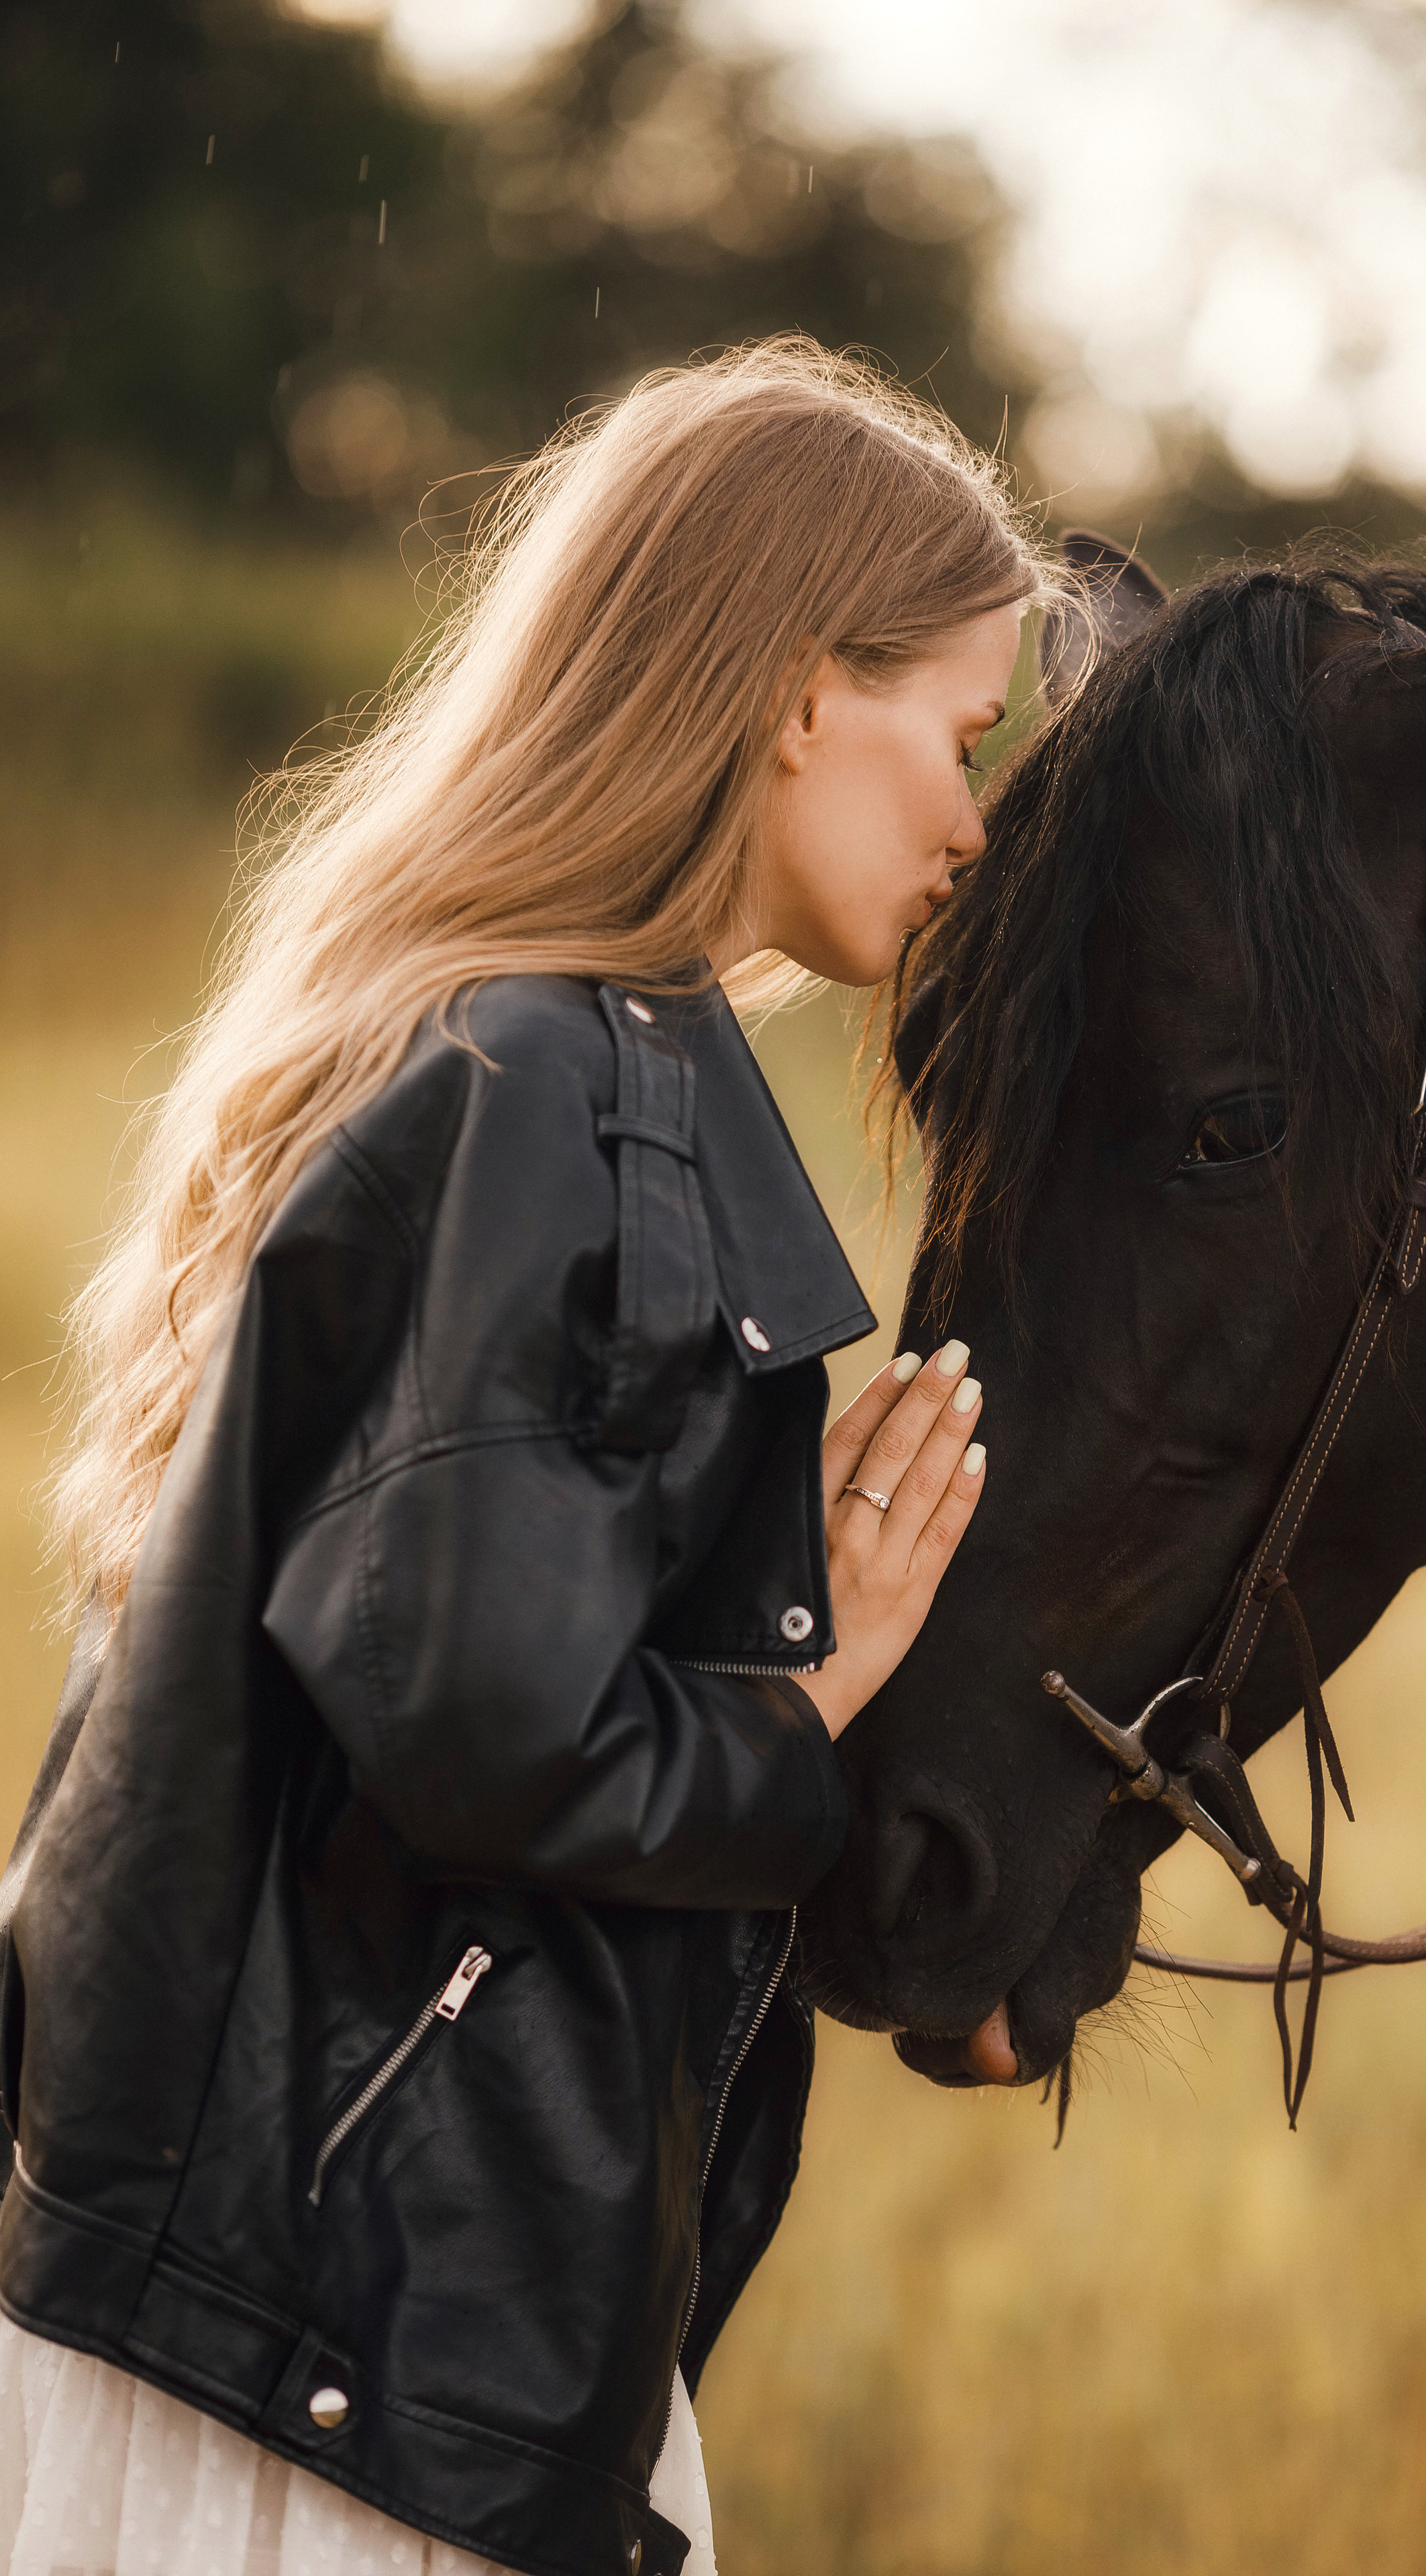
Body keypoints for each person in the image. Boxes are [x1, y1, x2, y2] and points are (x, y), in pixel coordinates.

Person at [0, 341, 1044, 2576]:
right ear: (792, 691)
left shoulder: (484, 1040)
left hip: (260, 2301)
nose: (976, 823)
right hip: (356, 2367)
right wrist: (812, 1706)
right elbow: (484, 1736)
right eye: (962, 737)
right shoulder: (571, 1081)